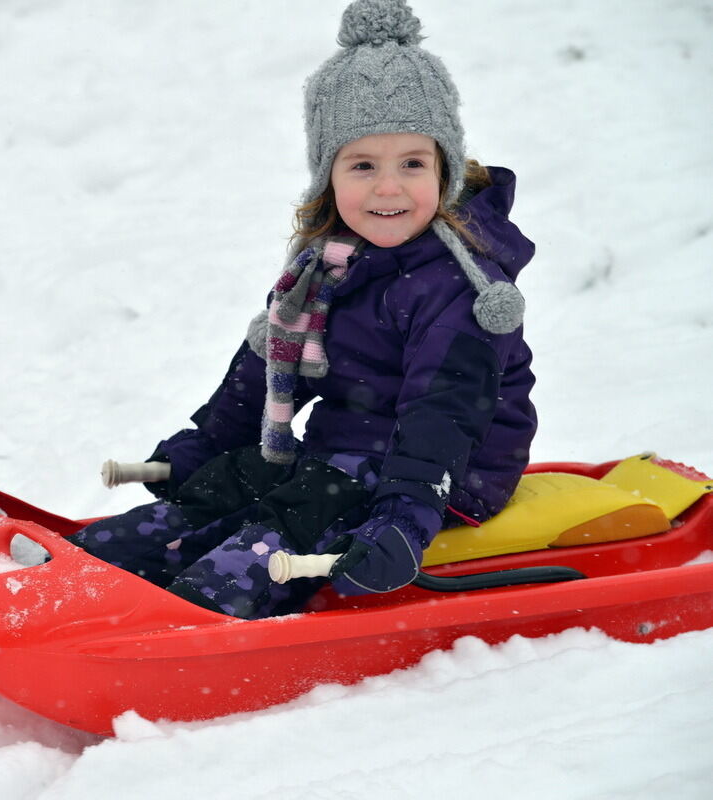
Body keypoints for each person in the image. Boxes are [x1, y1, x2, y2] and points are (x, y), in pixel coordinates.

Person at [68, 0, 537, 619]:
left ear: (445, 170)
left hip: (449, 473)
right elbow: (262, 373)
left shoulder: (462, 288)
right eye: (363, 165)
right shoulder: (325, 265)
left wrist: (405, 516)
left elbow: (443, 416)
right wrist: (204, 450)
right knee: (238, 480)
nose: (388, 187)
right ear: (329, 176)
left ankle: (204, 607)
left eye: (413, 164)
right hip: (344, 452)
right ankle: (92, 568)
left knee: (307, 505)